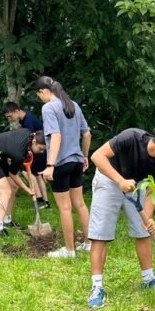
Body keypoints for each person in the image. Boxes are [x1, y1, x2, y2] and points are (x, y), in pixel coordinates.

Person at [86, 123, 155, 309]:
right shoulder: (131, 137)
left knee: (143, 232)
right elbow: (97, 156)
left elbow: (152, 190)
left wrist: (147, 218)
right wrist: (120, 180)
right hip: (109, 179)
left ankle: (148, 278)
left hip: (136, 185)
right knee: (100, 234)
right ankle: (97, 287)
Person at [35, 76, 91, 258]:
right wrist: (85, 156)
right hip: (76, 161)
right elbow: (87, 133)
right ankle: (89, 243)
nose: (40, 99)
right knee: (80, 204)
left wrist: (50, 165)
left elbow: (56, 136)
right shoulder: (73, 105)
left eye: (39, 95)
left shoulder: (49, 108)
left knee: (65, 208)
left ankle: (69, 250)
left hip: (61, 163)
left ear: (43, 91)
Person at [0, 129, 47, 236]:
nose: (42, 152)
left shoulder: (29, 135)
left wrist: (27, 151)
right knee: (5, 192)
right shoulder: (18, 154)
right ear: (34, 142)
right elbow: (13, 174)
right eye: (41, 149)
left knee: (13, 188)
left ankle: (7, 221)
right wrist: (28, 190)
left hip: (1, 156)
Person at [4, 101, 50, 210]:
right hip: (42, 149)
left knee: (26, 172)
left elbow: (29, 139)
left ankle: (39, 200)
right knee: (38, 175)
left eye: (10, 116)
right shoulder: (26, 118)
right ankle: (46, 202)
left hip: (39, 149)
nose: (10, 119)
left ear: (16, 111)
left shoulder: (28, 121)